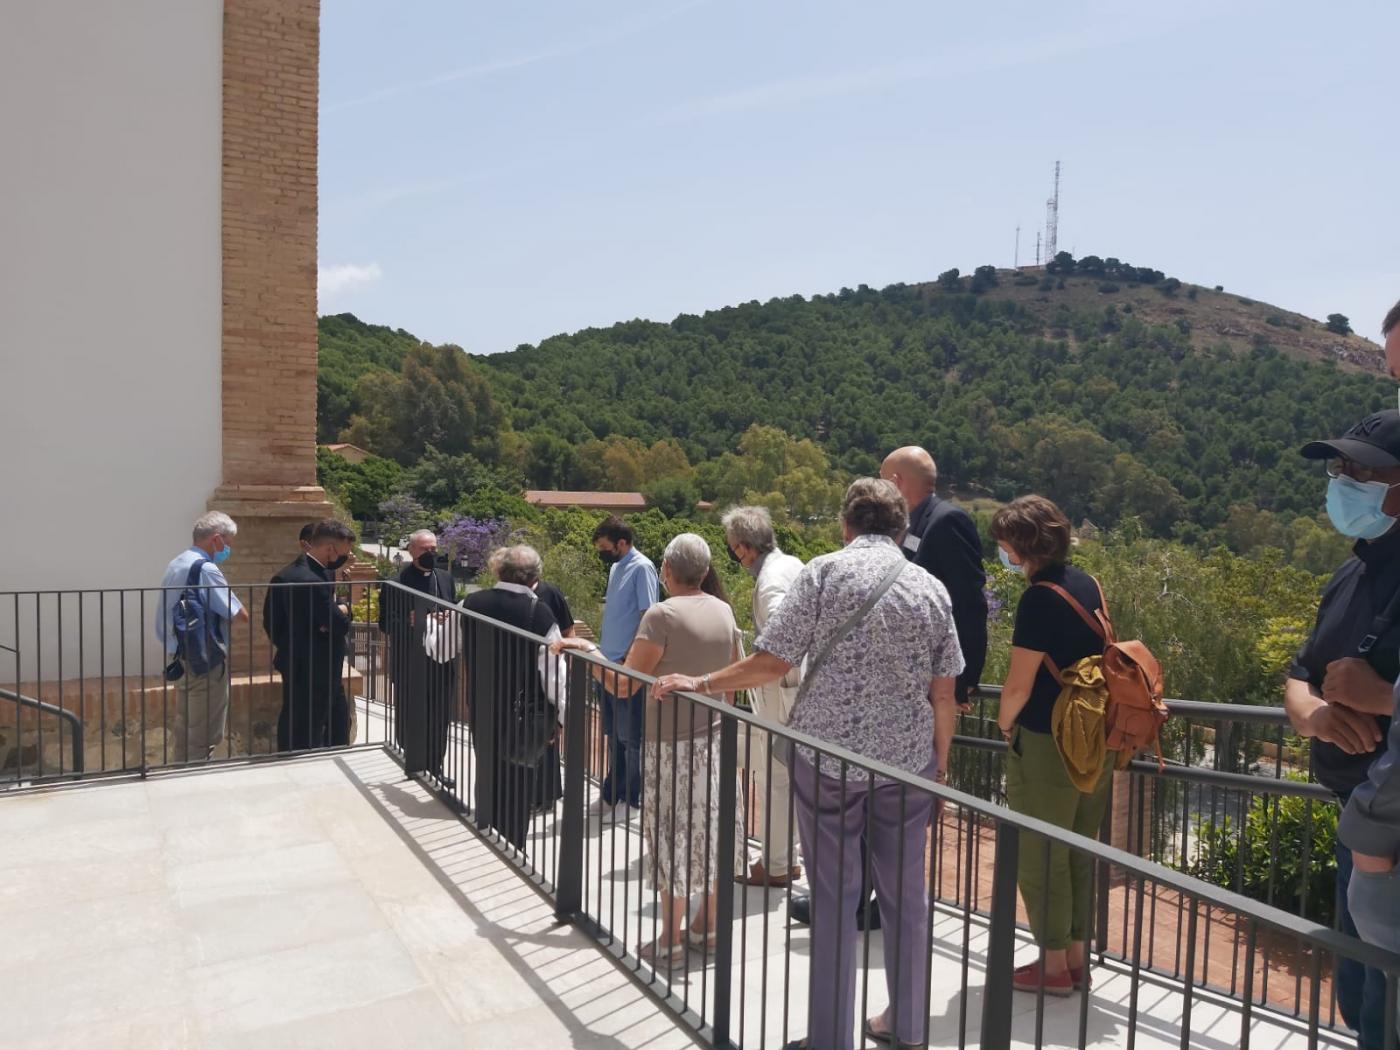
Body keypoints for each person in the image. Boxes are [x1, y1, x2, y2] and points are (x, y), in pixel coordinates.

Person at [656, 480, 962, 1050]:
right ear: (901, 530)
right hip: (907, 764)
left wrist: (699, 681)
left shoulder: (823, 573)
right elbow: (943, 696)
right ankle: (910, 1026)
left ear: (847, 526)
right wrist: (937, 771)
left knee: (835, 897)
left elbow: (771, 661)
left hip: (829, 760)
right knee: (907, 895)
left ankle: (829, 1038)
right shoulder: (932, 590)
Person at [556, 533, 745, 964]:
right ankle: (708, 927)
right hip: (715, 741)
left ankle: (670, 940)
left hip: (671, 748)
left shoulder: (660, 616)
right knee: (712, 834)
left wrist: (591, 651)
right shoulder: (724, 610)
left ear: (665, 570)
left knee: (670, 839)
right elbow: (732, 681)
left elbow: (623, 684)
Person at [1292, 321, 1400, 1050]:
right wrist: (1317, 716)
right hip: (1353, 823)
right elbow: (1301, 673)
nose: (1343, 484)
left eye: (1362, 474)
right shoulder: (1356, 566)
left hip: (1390, 843)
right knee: (1359, 1005)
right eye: (1339, 470)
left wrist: (1382, 698)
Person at [992, 495, 1114, 996]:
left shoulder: (1038, 598)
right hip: (1096, 735)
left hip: (1048, 739)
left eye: (1003, 543)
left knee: (1042, 853)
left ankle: (1053, 966)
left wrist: (1003, 725)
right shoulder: (1088, 583)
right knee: (1079, 848)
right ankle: (1077, 958)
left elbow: (1019, 685)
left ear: (1020, 547)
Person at [722, 504, 805, 886]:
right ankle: (786, 859)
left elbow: (779, 645)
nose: (737, 559)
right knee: (789, 776)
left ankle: (773, 865)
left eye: (734, 550)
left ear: (744, 547)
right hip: (796, 689)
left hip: (780, 691)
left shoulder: (771, 581)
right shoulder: (793, 564)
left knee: (774, 776)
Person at [463, 545, 565, 849]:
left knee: (486, 771)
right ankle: (511, 848)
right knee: (518, 782)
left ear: (498, 569)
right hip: (523, 715)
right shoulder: (540, 612)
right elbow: (554, 677)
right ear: (535, 578)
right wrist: (560, 718)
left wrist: (430, 626)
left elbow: (441, 649)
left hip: (481, 707)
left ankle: (485, 835)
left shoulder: (471, 602)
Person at [880, 446, 988, 706]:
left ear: (896, 482)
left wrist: (963, 678)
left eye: (881, 480)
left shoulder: (947, 521)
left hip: (936, 679)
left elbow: (969, 602)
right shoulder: (908, 524)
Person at [155, 511, 249, 762]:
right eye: (227, 544)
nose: (227, 550)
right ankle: (193, 784)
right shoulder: (205, 569)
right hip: (206, 660)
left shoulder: (176, 563)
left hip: (180, 655)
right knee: (203, 734)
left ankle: (179, 776)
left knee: (185, 727)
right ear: (216, 539)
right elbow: (240, 615)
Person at [593, 515, 660, 820]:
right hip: (607, 664)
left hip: (626, 667)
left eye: (605, 547)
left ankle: (632, 800)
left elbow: (648, 616)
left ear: (621, 543)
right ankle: (613, 790)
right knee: (612, 733)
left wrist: (631, 657)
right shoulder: (615, 567)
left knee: (631, 736)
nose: (603, 553)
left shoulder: (642, 567)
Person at [379, 528, 458, 786]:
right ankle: (411, 760)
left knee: (440, 715)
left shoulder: (445, 578)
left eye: (434, 549)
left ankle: (435, 766)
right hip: (410, 659)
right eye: (425, 549)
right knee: (410, 712)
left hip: (441, 659)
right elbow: (386, 624)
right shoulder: (395, 583)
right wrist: (414, 622)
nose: (430, 554)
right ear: (411, 550)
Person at [276, 520, 354, 752]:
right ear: (330, 549)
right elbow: (338, 624)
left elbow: (271, 621)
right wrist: (345, 609)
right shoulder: (313, 580)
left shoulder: (286, 573)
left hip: (292, 658)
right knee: (309, 726)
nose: (345, 558)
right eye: (344, 552)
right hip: (318, 664)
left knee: (298, 716)